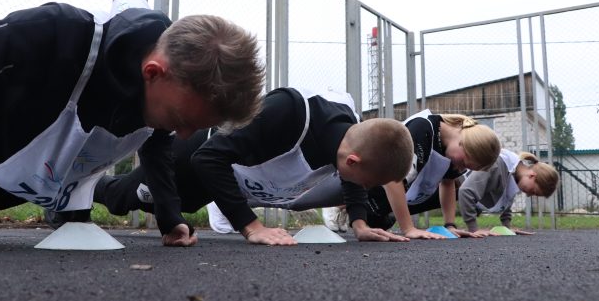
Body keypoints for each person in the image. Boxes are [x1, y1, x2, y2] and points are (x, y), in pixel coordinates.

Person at [0, 0, 265, 252]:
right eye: (182, 120)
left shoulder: (168, 90)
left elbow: (156, 139)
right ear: (153, 71)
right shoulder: (55, 33)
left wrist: (169, 215)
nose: (184, 135)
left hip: (29, 184)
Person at [93, 87, 416, 245]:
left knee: (184, 207)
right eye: (369, 183)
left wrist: (360, 224)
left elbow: (351, 178)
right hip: (189, 159)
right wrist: (253, 227)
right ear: (353, 160)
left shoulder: (349, 138)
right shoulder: (287, 113)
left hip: (218, 179)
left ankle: (70, 195)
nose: (365, 189)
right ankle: (72, 189)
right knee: (122, 199)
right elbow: (207, 157)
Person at [363, 110, 502, 239]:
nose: (460, 169)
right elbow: (392, 180)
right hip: (361, 192)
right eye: (464, 163)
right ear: (463, 143)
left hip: (382, 206)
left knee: (457, 186)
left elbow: (448, 183)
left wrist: (450, 226)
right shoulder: (422, 128)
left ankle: (382, 218)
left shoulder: (450, 149)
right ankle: (348, 212)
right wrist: (409, 229)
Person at [458, 149, 559, 236]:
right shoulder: (497, 164)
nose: (528, 195)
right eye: (533, 191)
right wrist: (474, 229)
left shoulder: (514, 176)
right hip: (448, 186)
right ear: (532, 175)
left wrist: (506, 228)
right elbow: (466, 192)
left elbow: (506, 200)